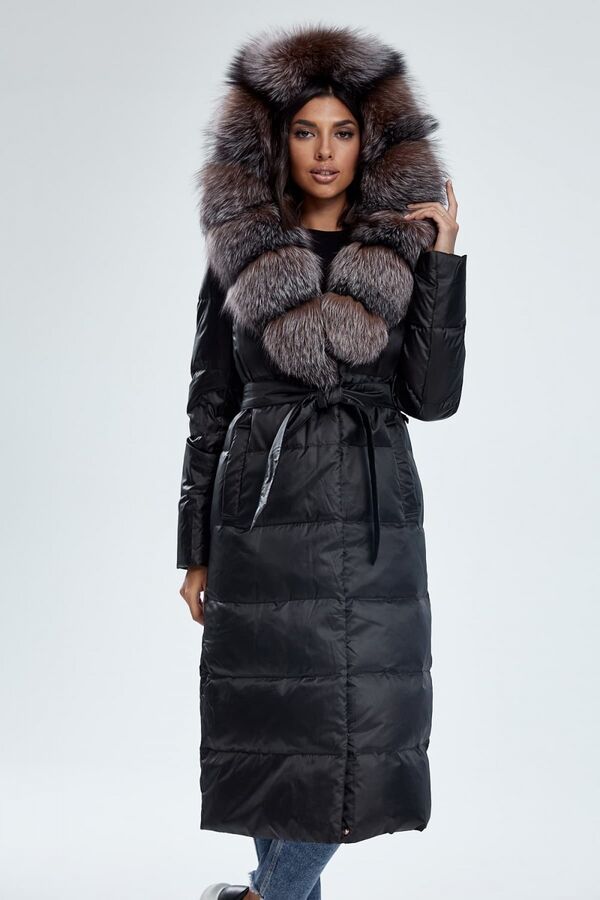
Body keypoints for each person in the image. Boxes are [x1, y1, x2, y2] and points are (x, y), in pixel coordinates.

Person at [177, 24, 467, 900]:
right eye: (307, 131)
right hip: (259, 512)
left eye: (343, 130)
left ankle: (268, 895)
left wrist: (444, 264)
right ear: (277, 140)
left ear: (371, 140)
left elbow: (432, 399)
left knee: (355, 730)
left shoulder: (405, 249)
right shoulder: (239, 250)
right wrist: (194, 548)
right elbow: (209, 403)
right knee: (273, 725)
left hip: (372, 505)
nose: (326, 151)